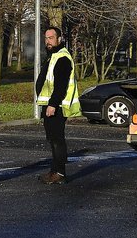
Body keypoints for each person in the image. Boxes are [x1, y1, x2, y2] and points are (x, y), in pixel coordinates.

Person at [35, 26, 81, 184]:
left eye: (51, 38)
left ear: (59, 39)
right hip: (51, 105)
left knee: (57, 140)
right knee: (53, 139)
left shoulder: (62, 57)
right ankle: (54, 171)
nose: (48, 41)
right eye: (46, 38)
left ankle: (59, 173)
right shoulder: (53, 56)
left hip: (57, 107)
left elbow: (60, 85)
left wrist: (53, 104)